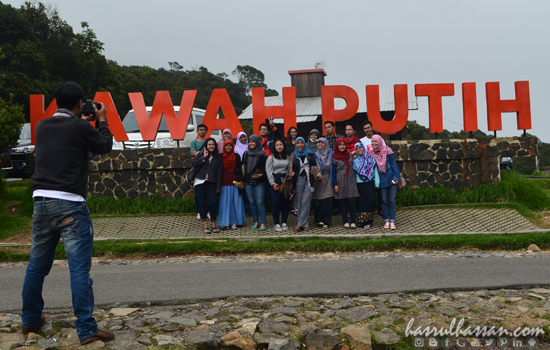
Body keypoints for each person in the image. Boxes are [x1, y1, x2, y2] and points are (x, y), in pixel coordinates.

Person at [22, 82, 115, 345]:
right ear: (79, 103)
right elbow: (105, 145)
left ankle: (29, 321)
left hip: (40, 203)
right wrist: (101, 120)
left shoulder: (42, 126)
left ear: (56, 101)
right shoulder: (80, 126)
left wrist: (83, 122)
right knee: (78, 269)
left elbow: (70, 148)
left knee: (36, 267)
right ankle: (86, 329)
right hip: (70, 205)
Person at [368, 135, 402, 229]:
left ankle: (392, 221)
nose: (374, 143)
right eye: (372, 141)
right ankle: (386, 220)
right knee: (383, 201)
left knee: (392, 200)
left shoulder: (387, 150)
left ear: (379, 141)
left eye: (376, 141)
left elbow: (393, 164)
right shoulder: (371, 154)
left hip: (391, 178)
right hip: (381, 180)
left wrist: (397, 177)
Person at [287, 137, 319, 232]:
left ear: (304, 144)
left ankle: (299, 224)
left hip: (309, 180)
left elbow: (314, 166)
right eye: (298, 143)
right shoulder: (293, 155)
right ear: (295, 144)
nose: (300, 145)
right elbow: (291, 168)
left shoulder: (310, 154)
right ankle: (305, 224)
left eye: (301, 143)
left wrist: (317, 174)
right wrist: (291, 174)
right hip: (298, 180)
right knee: (299, 202)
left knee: (306, 201)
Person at [192, 138, 223, 234]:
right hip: (200, 181)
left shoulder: (218, 157)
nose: (211, 146)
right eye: (209, 144)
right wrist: (203, 157)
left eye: (213, 144)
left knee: (213, 203)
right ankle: (205, 225)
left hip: (212, 182)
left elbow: (219, 173)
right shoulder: (201, 154)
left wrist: (218, 186)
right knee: (202, 203)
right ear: (206, 145)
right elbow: (194, 165)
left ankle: (214, 224)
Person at [218, 140, 247, 229]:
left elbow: (239, 169)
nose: (228, 147)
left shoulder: (237, 156)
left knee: (235, 203)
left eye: (230, 145)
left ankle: (235, 222)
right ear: (224, 147)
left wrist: (241, 181)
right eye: (226, 146)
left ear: (233, 146)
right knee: (225, 203)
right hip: (224, 182)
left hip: (235, 182)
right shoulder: (220, 157)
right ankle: (225, 223)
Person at [360, 121, 385, 217]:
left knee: (380, 188)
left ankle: (381, 208)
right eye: (365, 128)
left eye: (368, 127)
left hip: (380, 167)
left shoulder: (380, 139)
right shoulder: (362, 141)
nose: (367, 130)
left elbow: (384, 151)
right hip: (368, 169)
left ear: (372, 127)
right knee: (371, 190)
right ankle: (371, 209)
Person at [243, 135, 268, 231]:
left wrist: (261, 175)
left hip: (259, 182)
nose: (251, 143)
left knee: (260, 202)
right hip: (248, 181)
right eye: (250, 142)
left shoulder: (263, 154)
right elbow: (244, 167)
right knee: (252, 202)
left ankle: (263, 223)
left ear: (257, 142)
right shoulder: (246, 154)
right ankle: (255, 221)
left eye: (253, 142)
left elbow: (268, 168)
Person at [333, 138, 359, 229]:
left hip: (350, 180)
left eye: (344, 145)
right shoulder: (334, 157)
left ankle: (353, 221)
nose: (342, 146)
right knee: (343, 203)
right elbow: (333, 172)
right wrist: (335, 184)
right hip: (340, 181)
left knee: (352, 202)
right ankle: (345, 221)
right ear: (337, 146)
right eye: (340, 145)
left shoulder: (349, 155)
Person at [352, 142, 380, 229]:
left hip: (370, 183)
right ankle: (361, 221)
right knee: (361, 203)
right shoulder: (354, 161)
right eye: (357, 149)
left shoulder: (371, 158)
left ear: (363, 148)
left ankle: (369, 221)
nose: (359, 150)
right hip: (359, 184)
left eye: (360, 148)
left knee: (371, 202)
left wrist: (377, 183)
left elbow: (375, 171)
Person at [266, 139, 290, 231]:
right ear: (274, 147)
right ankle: (276, 223)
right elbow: (268, 172)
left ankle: (284, 222)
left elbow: (289, 168)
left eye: (281, 145)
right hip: (275, 181)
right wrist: (272, 183)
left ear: (283, 146)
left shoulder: (287, 157)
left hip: (285, 181)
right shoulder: (270, 158)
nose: (279, 146)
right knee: (276, 202)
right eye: (277, 145)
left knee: (285, 202)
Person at [313, 138, 336, 228]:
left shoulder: (331, 154)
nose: (320, 144)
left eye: (322, 143)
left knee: (327, 200)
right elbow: (312, 166)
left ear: (326, 144)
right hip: (319, 179)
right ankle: (318, 220)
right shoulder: (314, 154)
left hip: (329, 178)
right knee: (318, 201)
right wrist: (316, 174)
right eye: (319, 143)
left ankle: (326, 221)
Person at [191, 123, 209, 220]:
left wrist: (197, 153)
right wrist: (201, 153)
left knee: (208, 193)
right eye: (200, 129)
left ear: (206, 131)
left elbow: (196, 153)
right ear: (197, 131)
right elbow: (192, 153)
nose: (202, 131)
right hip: (198, 169)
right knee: (198, 193)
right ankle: (198, 211)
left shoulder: (208, 141)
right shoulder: (193, 142)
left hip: (208, 169)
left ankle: (208, 211)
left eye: (203, 129)